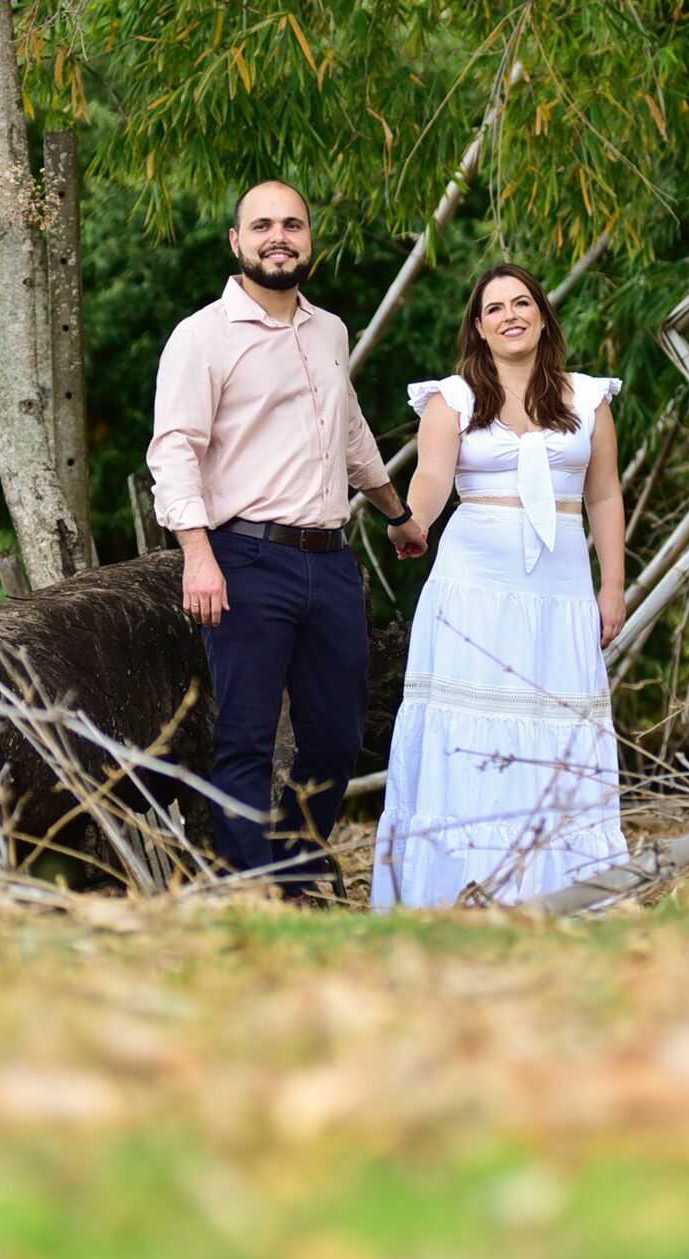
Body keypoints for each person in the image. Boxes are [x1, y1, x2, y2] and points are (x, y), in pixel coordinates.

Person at [147, 179, 429, 900]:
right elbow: (174, 448)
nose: (281, 236)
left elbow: (353, 432)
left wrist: (396, 513)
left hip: (330, 561)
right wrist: (199, 556)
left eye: (294, 224)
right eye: (263, 225)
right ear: (237, 243)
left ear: (309, 240)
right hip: (245, 558)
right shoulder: (202, 336)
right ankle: (258, 894)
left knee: (336, 738)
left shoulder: (329, 329)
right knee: (244, 737)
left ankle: (294, 866)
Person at [373, 263, 629, 909]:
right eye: (495, 308)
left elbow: (603, 494)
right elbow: (432, 476)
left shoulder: (588, 399)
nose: (510, 315)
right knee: (472, 728)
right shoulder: (452, 398)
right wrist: (414, 521)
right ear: (479, 328)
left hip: (561, 591)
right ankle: (459, 892)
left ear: (543, 315)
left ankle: (564, 896)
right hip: (472, 589)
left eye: (522, 303)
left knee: (558, 725)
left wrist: (614, 587)